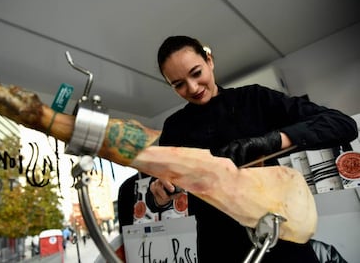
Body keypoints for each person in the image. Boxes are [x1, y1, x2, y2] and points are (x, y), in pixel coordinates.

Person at [140, 35, 358, 262]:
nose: (193, 88)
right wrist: (159, 195)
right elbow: (154, 200)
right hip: (218, 248)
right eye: (179, 84)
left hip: (280, 239)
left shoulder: (254, 99)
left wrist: (274, 140)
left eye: (196, 73)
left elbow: (343, 125)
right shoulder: (174, 127)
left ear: (209, 60)